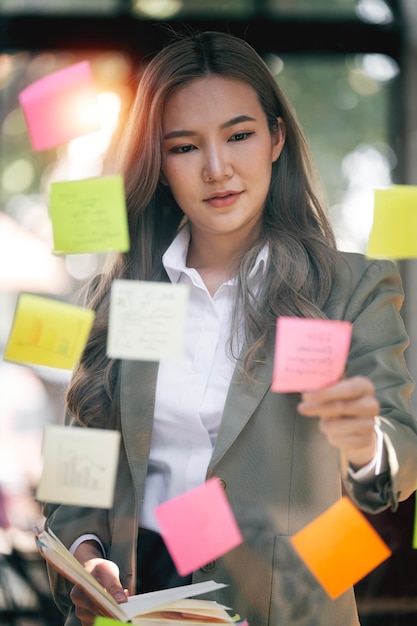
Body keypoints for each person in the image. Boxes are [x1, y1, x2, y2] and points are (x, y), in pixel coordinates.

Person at [42, 30, 417, 626]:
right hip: (136, 608)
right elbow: (77, 479)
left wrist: (366, 443)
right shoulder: (130, 295)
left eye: (239, 135)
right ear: (160, 166)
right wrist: (86, 562)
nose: (217, 169)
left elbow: (402, 453)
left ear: (276, 138)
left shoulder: (350, 289)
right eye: (185, 147)